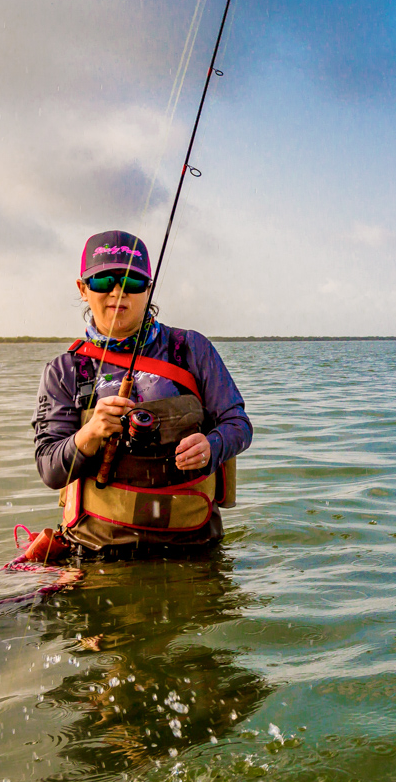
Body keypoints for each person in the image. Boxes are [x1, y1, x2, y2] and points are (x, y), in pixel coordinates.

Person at [32, 230, 252, 558]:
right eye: (104, 281)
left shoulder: (192, 349)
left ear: (149, 289)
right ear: (82, 289)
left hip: (195, 552)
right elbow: (50, 469)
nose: (118, 292)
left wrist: (213, 445)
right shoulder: (64, 370)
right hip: (94, 554)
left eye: (133, 282)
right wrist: (90, 434)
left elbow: (238, 424)